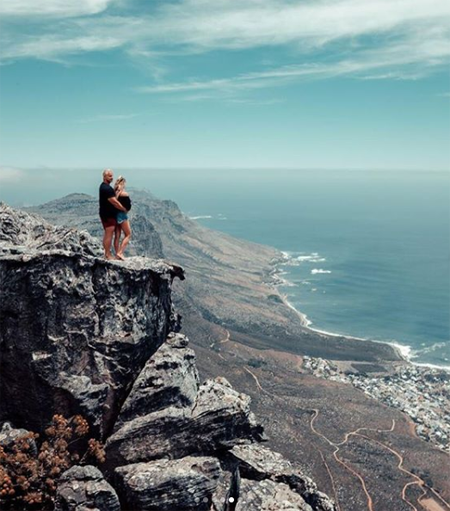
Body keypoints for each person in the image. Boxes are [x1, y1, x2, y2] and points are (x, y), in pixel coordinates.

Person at [99, 169, 127, 260]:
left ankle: (106, 253)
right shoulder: (107, 189)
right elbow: (114, 202)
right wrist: (123, 209)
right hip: (108, 215)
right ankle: (107, 255)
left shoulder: (103, 187)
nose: (112, 178)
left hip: (105, 214)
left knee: (107, 234)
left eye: (112, 176)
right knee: (109, 234)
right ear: (104, 176)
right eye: (110, 176)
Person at [113, 175, 132, 260]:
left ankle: (117, 254)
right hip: (122, 215)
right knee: (128, 234)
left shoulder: (114, 193)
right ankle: (120, 253)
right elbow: (128, 206)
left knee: (117, 236)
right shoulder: (124, 194)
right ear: (123, 183)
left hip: (115, 215)